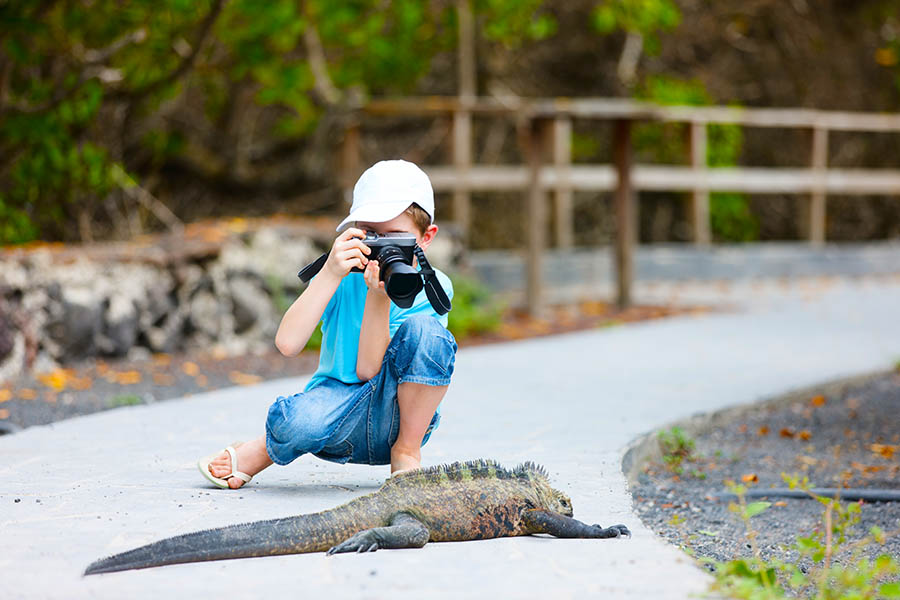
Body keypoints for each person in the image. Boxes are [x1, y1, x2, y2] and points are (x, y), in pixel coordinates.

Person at [199, 160, 457, 488]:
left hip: (402, 420)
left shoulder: (433, 287)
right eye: (372, 235)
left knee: (429, 334)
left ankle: (407, 454)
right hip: (335, 417)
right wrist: (329, 273)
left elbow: (370, 371)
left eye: (395, 238)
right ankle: (264, 447)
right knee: (298, 422)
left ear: (425, 238)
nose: (383, 249)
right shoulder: (342, 276)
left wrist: (380, 299)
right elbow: (288, 344)